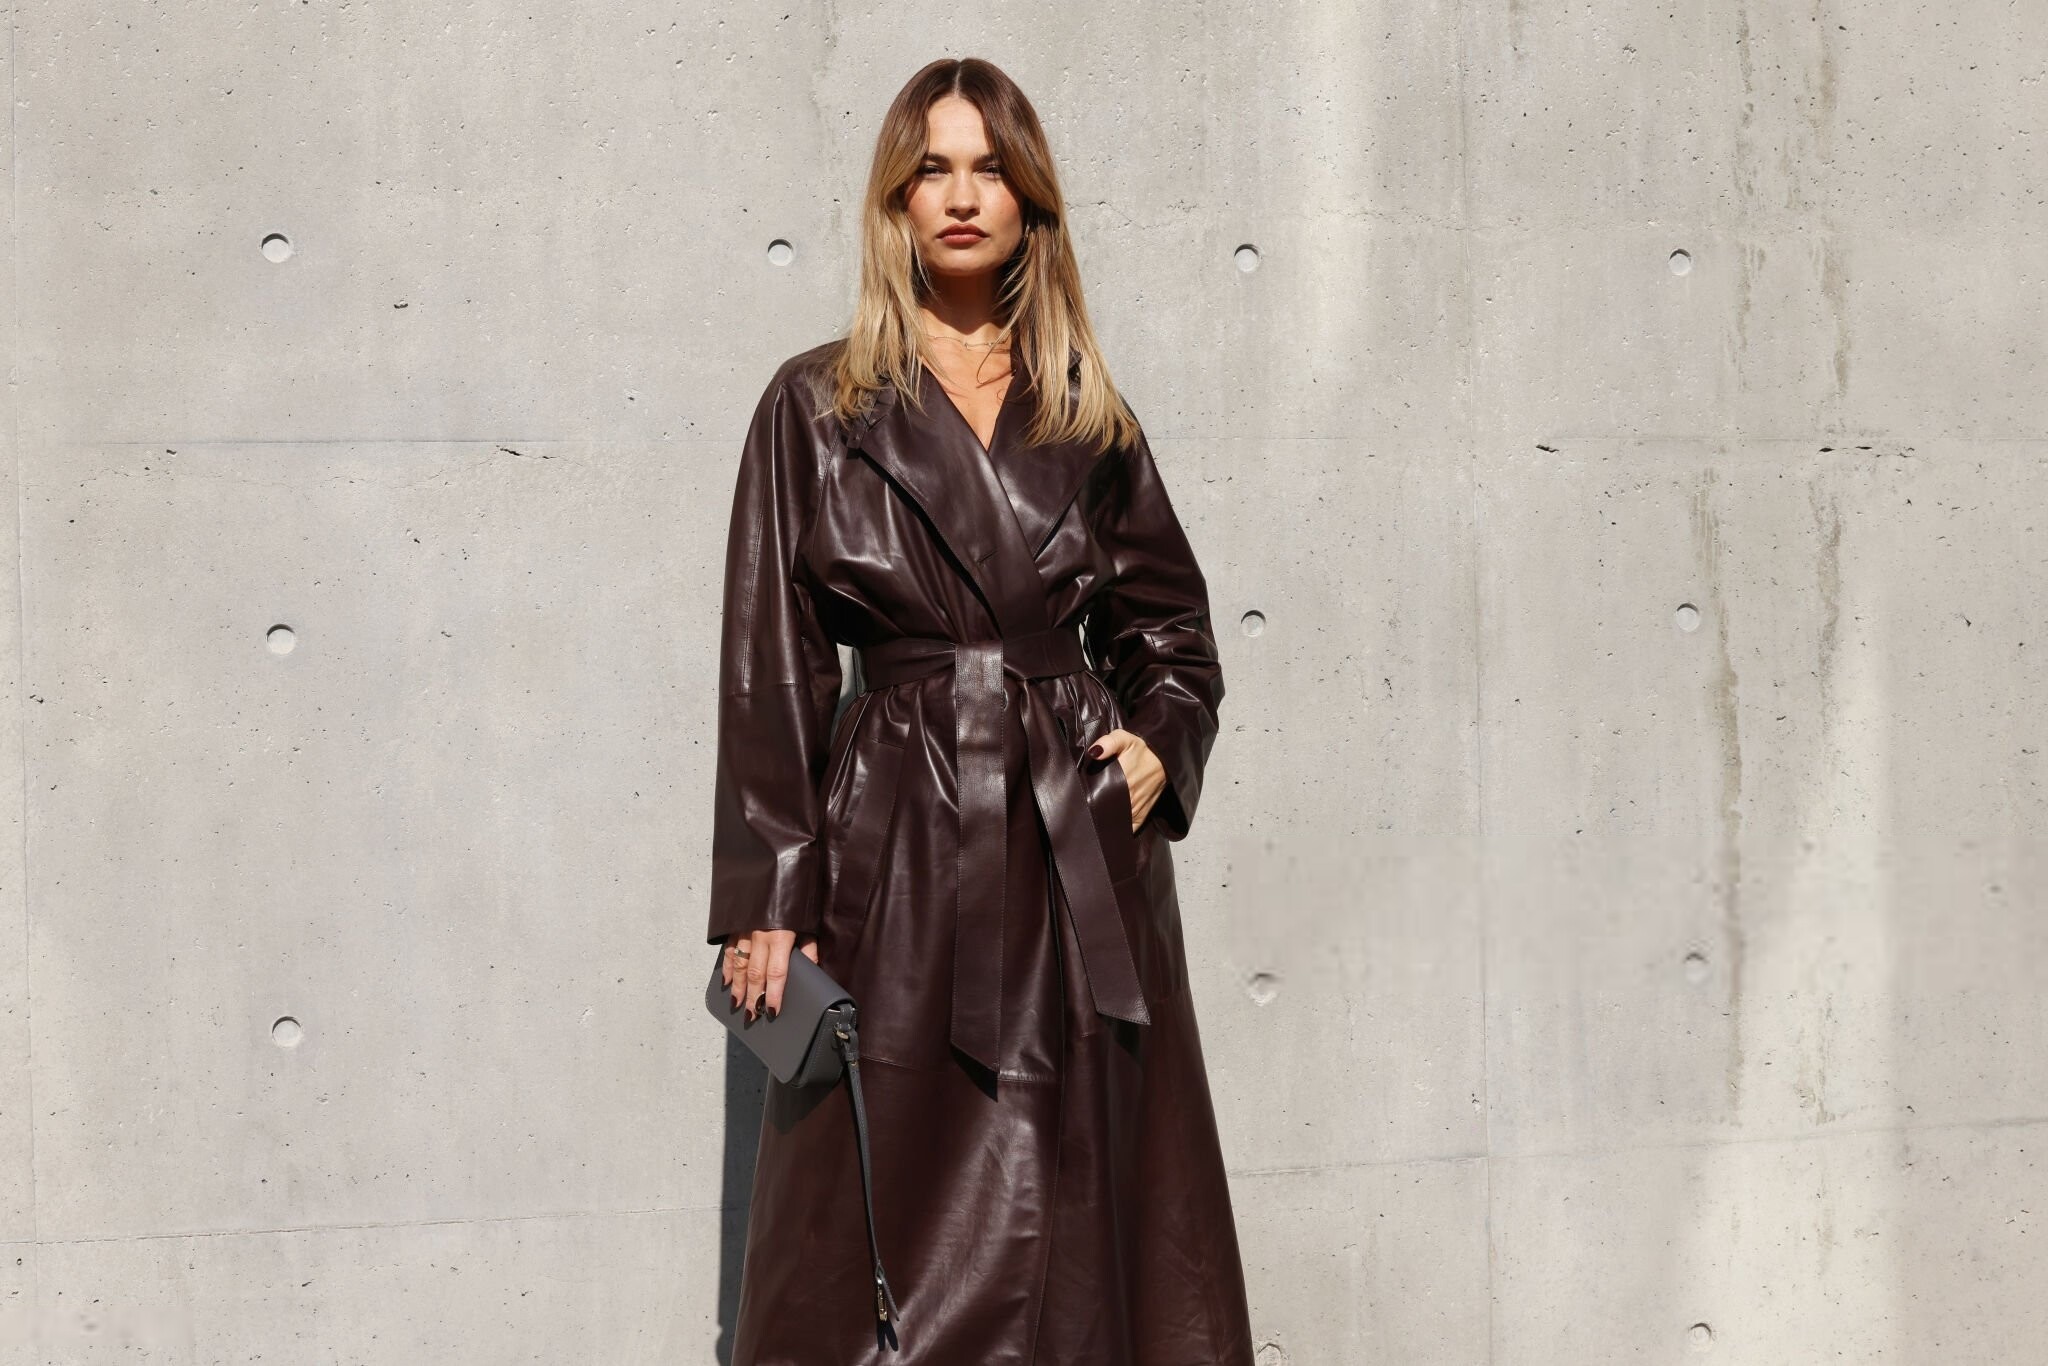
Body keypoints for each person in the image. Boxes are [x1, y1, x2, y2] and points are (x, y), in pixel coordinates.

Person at [708, 55, 1255, 1366]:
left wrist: (1156, 748)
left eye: (989, 170)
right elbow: (772, 658)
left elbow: (1172, 630)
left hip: (1073, 843)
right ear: (896, 203)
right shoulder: (816, 404)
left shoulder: (1085, 409)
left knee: (1081, 1182)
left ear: (1029, 203)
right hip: (895, 840)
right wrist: (768, 894)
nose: (961, 197)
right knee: (875, 1186)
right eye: (933, 170)